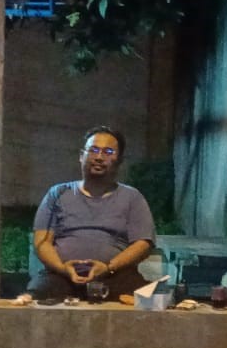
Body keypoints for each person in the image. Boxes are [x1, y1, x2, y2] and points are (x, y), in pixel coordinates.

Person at [28, 126, 156, 301]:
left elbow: (143, 243)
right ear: (82, 156)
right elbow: (42, 242)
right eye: (93, 150)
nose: (99, 157)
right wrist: (62, 268)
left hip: (115, 274)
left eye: (108, 152)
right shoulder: (57, 193)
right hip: (61, 275)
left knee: (147, 301)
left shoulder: (132, 197)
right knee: (34, 298)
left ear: (119, 160)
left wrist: (108, 267)